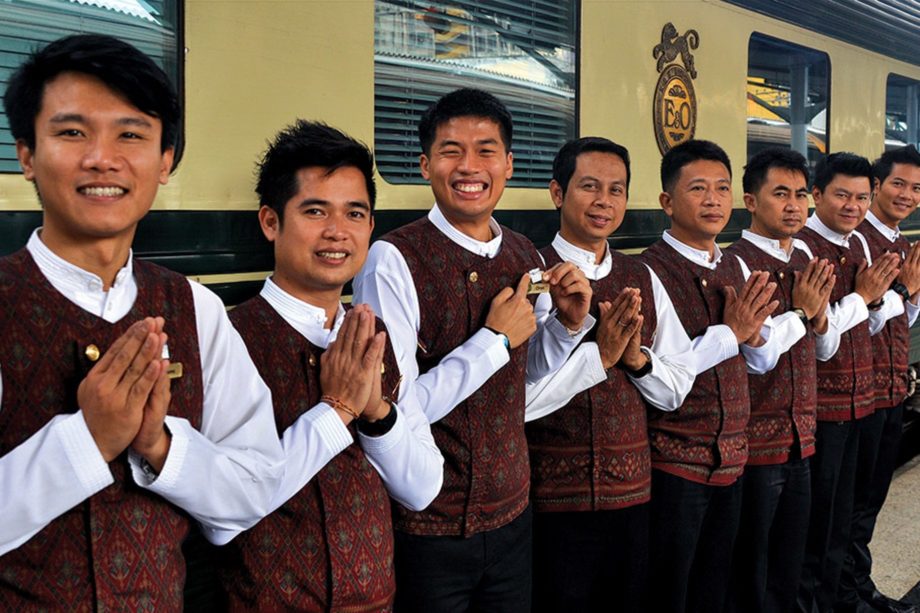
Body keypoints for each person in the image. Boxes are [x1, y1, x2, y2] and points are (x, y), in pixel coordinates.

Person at [0, 34, 284, 610]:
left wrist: (159, 444)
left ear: (166, 162)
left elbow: (255, 489)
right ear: (26, 153)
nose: (102, 157)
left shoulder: (196, 309)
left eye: (130, 134)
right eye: (71, 132)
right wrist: (86, 440)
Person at [352, 88, 593, 612]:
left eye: (486, 150)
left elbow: (526, 376)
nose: (469, 167)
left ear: (508, 164)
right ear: (424, 165)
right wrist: (494, 340)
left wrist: (569, 329)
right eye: (450, 150)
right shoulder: (392, 259)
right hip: (428, 525)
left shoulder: (524, 252)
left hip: (513, 513)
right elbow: (396, 407)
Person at [220, 120, 443, 611]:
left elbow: (423, 488)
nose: (337, 232)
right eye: (315, 211)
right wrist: (336, 408)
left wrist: (377, 414)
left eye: (355, 213)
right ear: (270, 221)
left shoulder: (377, 333)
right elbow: (221, 513)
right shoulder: (229, 338)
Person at [522, 136, 696, 612]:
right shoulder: (531, 272)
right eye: (590, 187)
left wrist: (636, 360)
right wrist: (596, 354)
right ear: (558, 193)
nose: (604, 201)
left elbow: (678, 386)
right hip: (550, 498)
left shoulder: (642, 275)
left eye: (617, 190)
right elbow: (519, 394)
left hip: (632, 492)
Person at [638, 139, 782, 613]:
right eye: (698, 188)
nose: (714, 200)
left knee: (715, 587)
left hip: (731, 460)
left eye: (722, 188)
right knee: (668, 590)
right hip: (676, 464)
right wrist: (731, 332)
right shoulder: (649, 271)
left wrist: (755, 339)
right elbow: (666, 378)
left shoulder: (735, 264)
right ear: (667, 201)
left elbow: (759, 362)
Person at [723, 147, 838, 613]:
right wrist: (804, 312)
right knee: (752, 566)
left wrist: (818, 318)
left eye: (798, 196)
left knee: (791, 562)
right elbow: (759, 356)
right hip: (755, 444)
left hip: (801, 437)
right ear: (751, 201)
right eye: (779, 195)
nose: (794, 206)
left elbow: (826, 348)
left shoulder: (807, 255)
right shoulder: (737, 262)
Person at [793, 152, 901, 613]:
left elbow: (866, 325)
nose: (854, 206)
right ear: (817, 196)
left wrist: (876, 304)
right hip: (822, 409)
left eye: (862, 197)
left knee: (844, 517)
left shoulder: (856, 244)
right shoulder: (803, 249)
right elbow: (823, 341)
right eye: (842, 195)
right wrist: (866, 298)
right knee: (819, 524)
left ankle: (845, 598)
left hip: (861, 403)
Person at [838, 145, 920, 613]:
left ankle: (858, 586)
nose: (907, 196)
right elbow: (862, 320)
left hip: (888, 391)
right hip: (859, 395)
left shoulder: (900, 240)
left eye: (916, 189)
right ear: (877, 187)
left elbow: (902, 320)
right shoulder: (859, 240)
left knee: (868, 503)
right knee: (851, 506)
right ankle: (847, 595)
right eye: (898, 185)